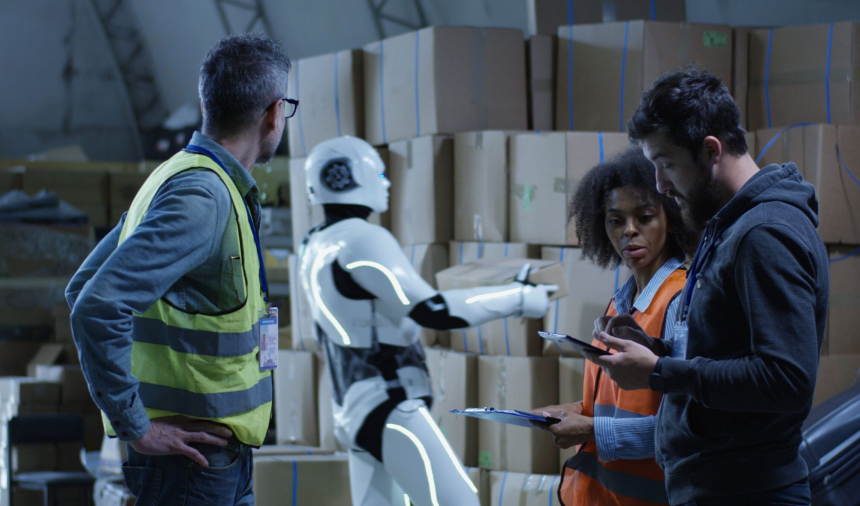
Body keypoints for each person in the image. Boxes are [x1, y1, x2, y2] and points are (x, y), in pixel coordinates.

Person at [64, 34, 295, 505]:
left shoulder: (179, 176)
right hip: (192, 464)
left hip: (215, 458)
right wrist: (137, 427)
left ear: (208, 103)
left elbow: (83, 284)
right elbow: (95, 305)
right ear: (274, 113)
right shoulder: (202, 197)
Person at [583, 66, 829, 506]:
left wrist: (659, 372)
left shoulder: (763, 234)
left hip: (748, 494)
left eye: (666, 164)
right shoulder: (729, 228)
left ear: (711, 150)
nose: (660, 184)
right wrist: (654, 350)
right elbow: (729, 351)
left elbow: (787, 379)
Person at [298, 135, 556, 506]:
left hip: (352, 406)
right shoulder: (362, 239)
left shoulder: (314, 243)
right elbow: (433, 310)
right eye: (379, 174)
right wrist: (521, 297)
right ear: (346, 176)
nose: (387, 183)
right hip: (387, 401)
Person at [529, 147, 696, 506]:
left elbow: (687, 427)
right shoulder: (620, 303)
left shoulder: (681, 301)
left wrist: (591, 429)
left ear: (670, 218)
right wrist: (577, 411)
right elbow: (625, 403)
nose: (629, 231)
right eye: (616, 221)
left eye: (645, 217)